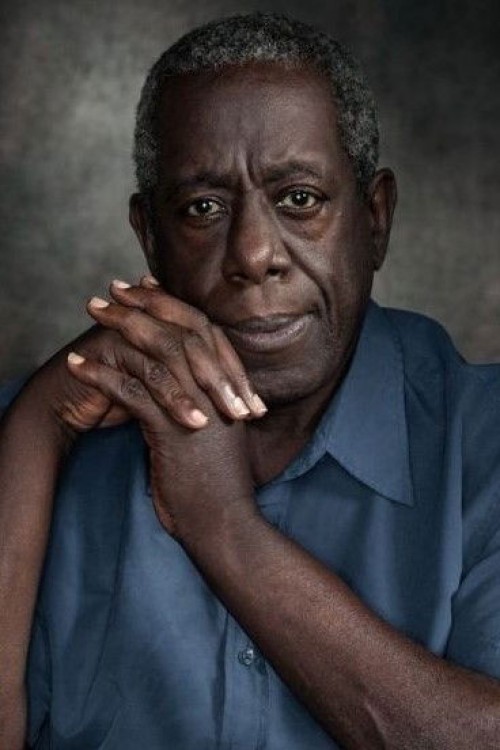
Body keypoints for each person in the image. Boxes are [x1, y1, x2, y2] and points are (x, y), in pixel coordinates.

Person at [1, 12, 500, 749]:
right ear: (150, 236)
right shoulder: (43, 437)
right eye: (203, 208)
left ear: (376, 219)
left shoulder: (483, 440)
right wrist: (35, 426)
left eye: (299, 198)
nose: (253, 253)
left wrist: (223, 527)